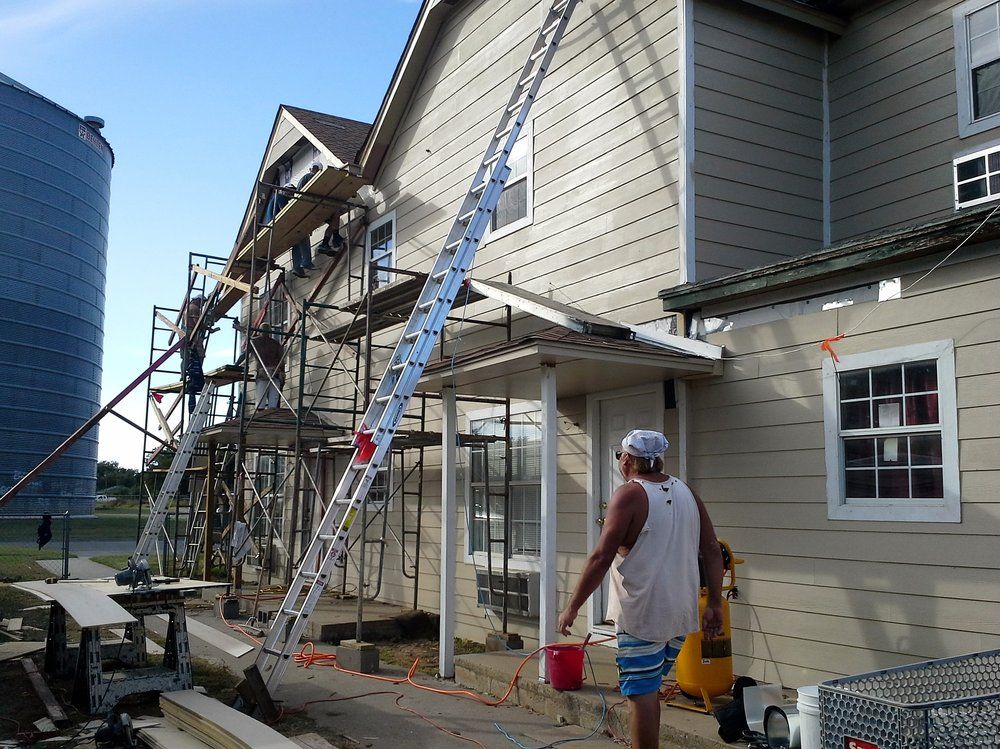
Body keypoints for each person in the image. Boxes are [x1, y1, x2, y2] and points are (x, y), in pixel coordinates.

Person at [557, 429, 724, 749]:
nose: (620, 462)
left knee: (641, 695)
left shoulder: (630, 494)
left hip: (643, 614)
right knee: (648, 688)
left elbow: (601, 556)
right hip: (680, 614)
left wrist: (573, 606)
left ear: (629, 460)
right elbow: (712, 550)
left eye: (621, 456)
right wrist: (714, 602)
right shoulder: (687, 491)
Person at [291, 163, 323, 277]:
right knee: (303, 237)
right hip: (304, 209)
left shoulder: (305, 179)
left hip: (300, 211)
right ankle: (306, 262)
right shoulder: (310, 177)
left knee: (296, 241)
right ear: (317, 169)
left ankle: (297, 266)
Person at [182, 295, 207, 414]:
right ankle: (195, 375)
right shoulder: (195, 308)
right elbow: (198, 322)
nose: (202, 304)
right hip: (193, 333)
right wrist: (207, 327)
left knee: (186, 357)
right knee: (199, 355)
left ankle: (185, 374)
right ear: (198, 300)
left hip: (185, 334)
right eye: (202, 302)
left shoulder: (187, 307)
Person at [249, 331, 284, 410]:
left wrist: (236, 365)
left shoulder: (255, 342)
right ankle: (270, 413)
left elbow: (244, 355)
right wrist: (282, 373)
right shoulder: (275, 343)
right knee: (273, 400)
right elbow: (282, 360)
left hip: (263, 372)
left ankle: (261, 415)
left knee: (261, 398)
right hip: (275, 371)